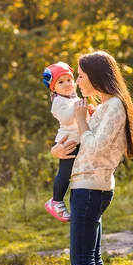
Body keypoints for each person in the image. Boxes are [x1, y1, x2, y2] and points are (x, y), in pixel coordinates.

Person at [51, 51, 133, 265]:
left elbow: (96, 147)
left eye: (79, 75)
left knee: (81, 260)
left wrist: (80, 119)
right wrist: (58, 149)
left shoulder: (114, 105)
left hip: (91, 188)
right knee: (93, 259)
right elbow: (76, 143)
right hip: (85, 186)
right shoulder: (105, 106)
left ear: (95, 75)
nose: (76, 81)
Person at [42, 62, 95, 222]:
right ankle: (56, 201)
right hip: (67, 143)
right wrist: (78, 107)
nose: (67, 84)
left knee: (77, 172)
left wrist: (89, 112)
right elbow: (66, 118)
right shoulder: (58, 102)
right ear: (53, 88)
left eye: (69, 80)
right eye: (61, 82)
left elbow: (82, 118)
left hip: (79, 139)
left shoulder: (74, 98)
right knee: (65, 173)